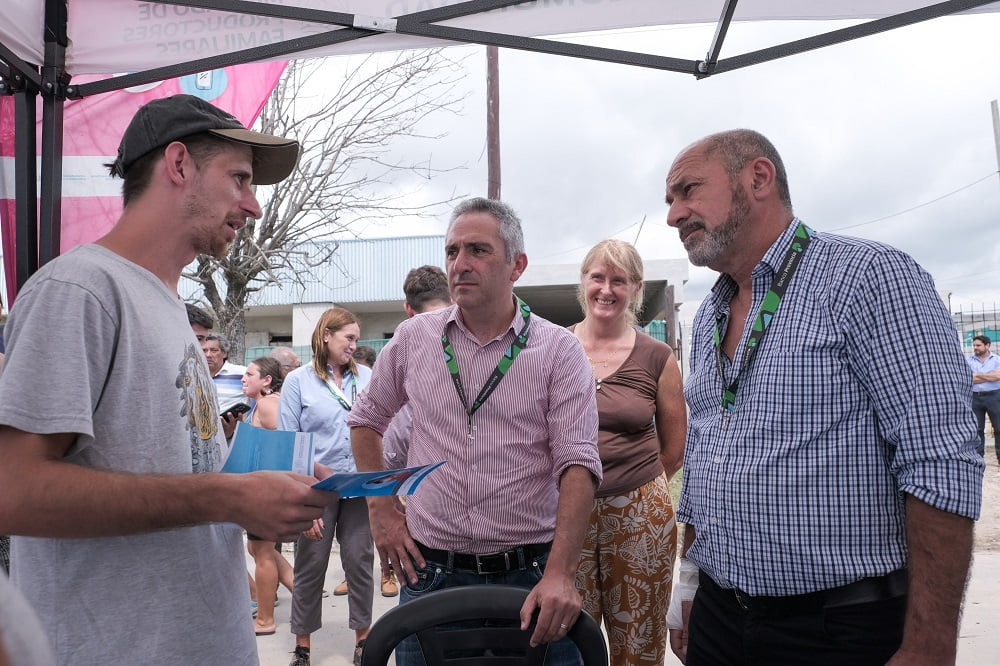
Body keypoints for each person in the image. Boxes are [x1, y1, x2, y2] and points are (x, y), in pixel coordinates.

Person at [0, 93, 337, 664]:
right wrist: (224, 498)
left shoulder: (164, 302)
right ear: (179, 165)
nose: (252, 207)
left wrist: (270, 480)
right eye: (240, 179)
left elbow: (166, 460)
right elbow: (13, 490)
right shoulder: (79, 290)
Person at [663, 129, 983, 665]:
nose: (674, 214)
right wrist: (691, 584)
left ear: (758, 178)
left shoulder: (870, 277)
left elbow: (941, 460)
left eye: (688, 190)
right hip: (721, 615)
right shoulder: (711, 311)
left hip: (839, 628)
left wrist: (930, 643)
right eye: (670, 200)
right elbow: (703, 459)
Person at [348, 197, 603, 666]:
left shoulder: (558, 350)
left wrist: (561, 573)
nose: (460, 265)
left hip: (530, 578)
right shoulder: (413, 339)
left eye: (478, 250)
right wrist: (381, 512)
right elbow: (366, 420)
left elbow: (578, 463)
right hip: (432, 574)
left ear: (517, 265)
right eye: (452, 251)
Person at [569, 239, 685, 666]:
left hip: (640, 518)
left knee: (637, 642)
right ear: (583, 283)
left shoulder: (658, 356)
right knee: (566, 637)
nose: (606, 288)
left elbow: (674, 447)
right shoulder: (552, 348)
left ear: (635, 289)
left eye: (619, 280)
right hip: (567, 514)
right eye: (598, 277)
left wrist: (631, 490)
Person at [337, 265, 452, 600]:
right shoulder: (415, 342)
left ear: (407, 307)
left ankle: (389, 575)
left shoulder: (407, 344)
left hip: (423, 505)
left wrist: (383, 503)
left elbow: (388, 438)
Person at [280, 307, 374, 666]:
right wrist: (303, 497)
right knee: (310, 563)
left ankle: (363, 640)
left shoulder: (366, 377)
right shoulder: (298, 382)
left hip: (358, 484)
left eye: (356, 338)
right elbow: (290, 442)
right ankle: (303, 646)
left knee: (359, 560)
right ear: (326, 336)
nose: (354, 344)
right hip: (317, 487)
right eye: (348, 337)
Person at [242, 356, 296, 636]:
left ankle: (265, 620)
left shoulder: (267, 404)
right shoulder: (259, 405)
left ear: (266, 380)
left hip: (267, 491)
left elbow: (284, 442)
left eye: (249, 374)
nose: (243, 378)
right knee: (258, 550)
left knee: (262, 554)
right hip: (261, 490)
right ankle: (301, 594)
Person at [967, 334, 1000, 461]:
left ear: (987, 346)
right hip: (975, 397)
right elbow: (969, 379)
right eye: (974, 345)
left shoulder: (997, 360)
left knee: (999, 427)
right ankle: (978, 458)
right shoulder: (968, 361)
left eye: (978, 345)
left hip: (995, 396)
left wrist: (978, 375)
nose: (975, 348)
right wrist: (989, 376)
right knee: (977, 429)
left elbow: (998, 377)